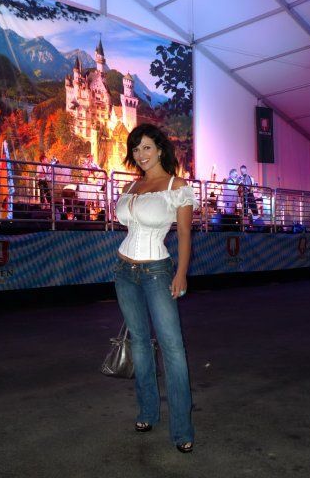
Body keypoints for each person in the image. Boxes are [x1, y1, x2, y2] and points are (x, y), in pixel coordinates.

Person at [114, 123, 197, 453]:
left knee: (172, 348)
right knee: (139, 344)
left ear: (161, 149)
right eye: (136, 149)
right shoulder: (131, 185)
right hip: (124, 271)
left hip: (157, 272)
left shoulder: (178, 187)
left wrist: (181, 274)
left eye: (147, 147)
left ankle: (182, 430)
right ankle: (147, 411)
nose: (141, 154)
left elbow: (186, 234)